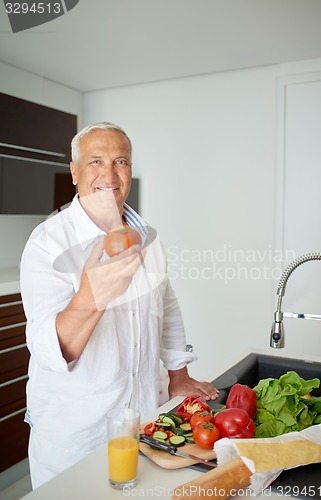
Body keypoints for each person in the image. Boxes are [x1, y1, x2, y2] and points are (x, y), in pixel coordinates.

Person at [20, 121, 218, 489]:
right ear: (75, 172)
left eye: (121, 162)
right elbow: (50, 350)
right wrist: (90, 297)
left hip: (141, 421)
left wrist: (179, 374)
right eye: (95, 161)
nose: (109, 174)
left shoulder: (147, 238)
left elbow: (167, 306)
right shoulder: (48, 241)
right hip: (76, 432)